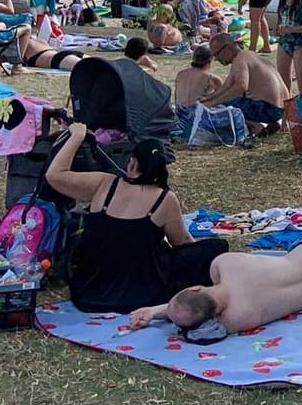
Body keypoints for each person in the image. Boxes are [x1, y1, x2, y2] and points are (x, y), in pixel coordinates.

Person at [46, 124, 228, 314]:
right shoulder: (164, 198)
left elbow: (54, 175)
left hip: (89, 292)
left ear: (132, 163)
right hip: (144, 294)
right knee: (216, 248)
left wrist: (76, 136)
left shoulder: (104, 183)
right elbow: (181, 242)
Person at [127, 241, 302, 339]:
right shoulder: (223, 263)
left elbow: (202, 324)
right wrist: (155, 309)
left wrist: (153, 312)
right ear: (197, 287)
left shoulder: (239, 318)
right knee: (298, 266)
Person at [202, 33, 290, 135]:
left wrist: (214, 103)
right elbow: (226, 87)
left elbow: (240, 87)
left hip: (266, 109)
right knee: (223, 101)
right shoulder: (249, 56)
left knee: (222, 107)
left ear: (228, 48)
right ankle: (271, 124)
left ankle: (256, 127)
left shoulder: (240, 59)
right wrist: (207, 99)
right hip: (280, 109)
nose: (216, 59)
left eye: (217, 54)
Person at [173, 44, 222, 130]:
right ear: (210, 60)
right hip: (195, 119)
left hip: (179, 116)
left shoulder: (180, 74)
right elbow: (224, 99)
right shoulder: (211, 78)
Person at [15, 25, 86, 71]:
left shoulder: (23, 43)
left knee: (89, 68)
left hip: (57, 59)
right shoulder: (39, 40)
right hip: (60, 55)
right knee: (94, 65)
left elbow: (17, 60)